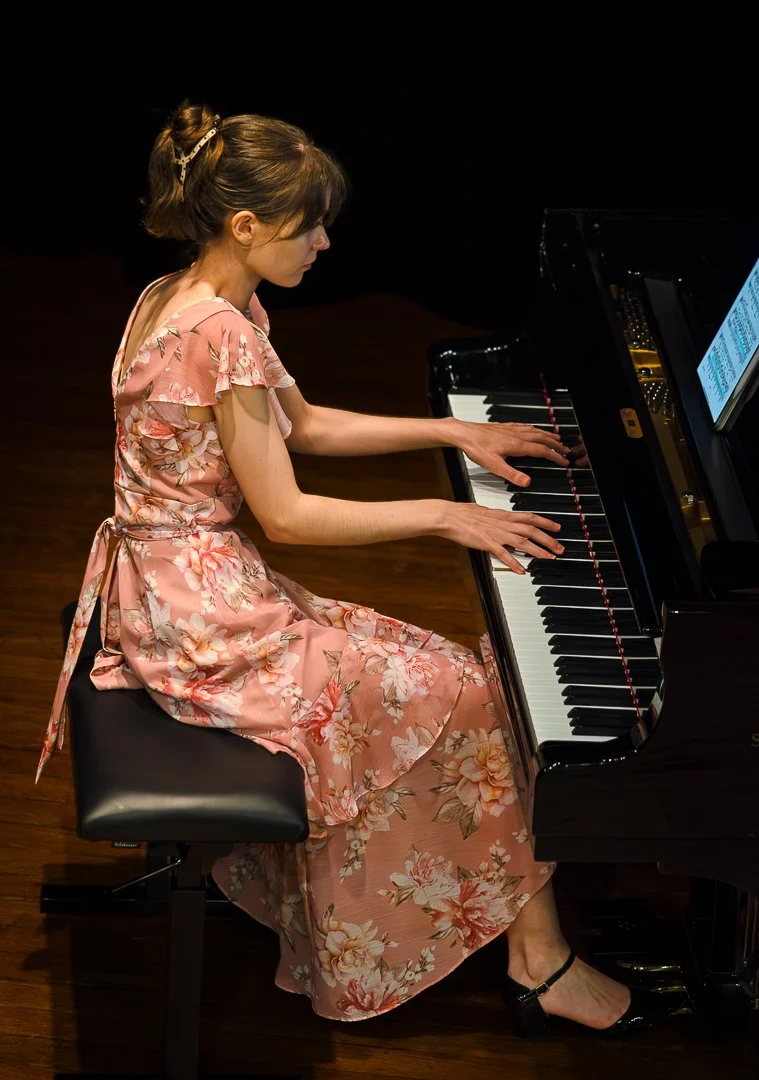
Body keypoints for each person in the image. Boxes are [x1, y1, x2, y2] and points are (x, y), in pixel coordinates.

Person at [37, 102, 680, 1035]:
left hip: (183, 585)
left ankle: (501, 935)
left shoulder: (189, 296)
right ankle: (537, 963)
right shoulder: (219, 335)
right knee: (465, 693)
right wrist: (442, 515)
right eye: (310, 227)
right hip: (197, 617)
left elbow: (300, 426)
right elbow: (288, 516)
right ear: (248, 226)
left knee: (462, 683)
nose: (327, 244)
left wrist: (448, 431)